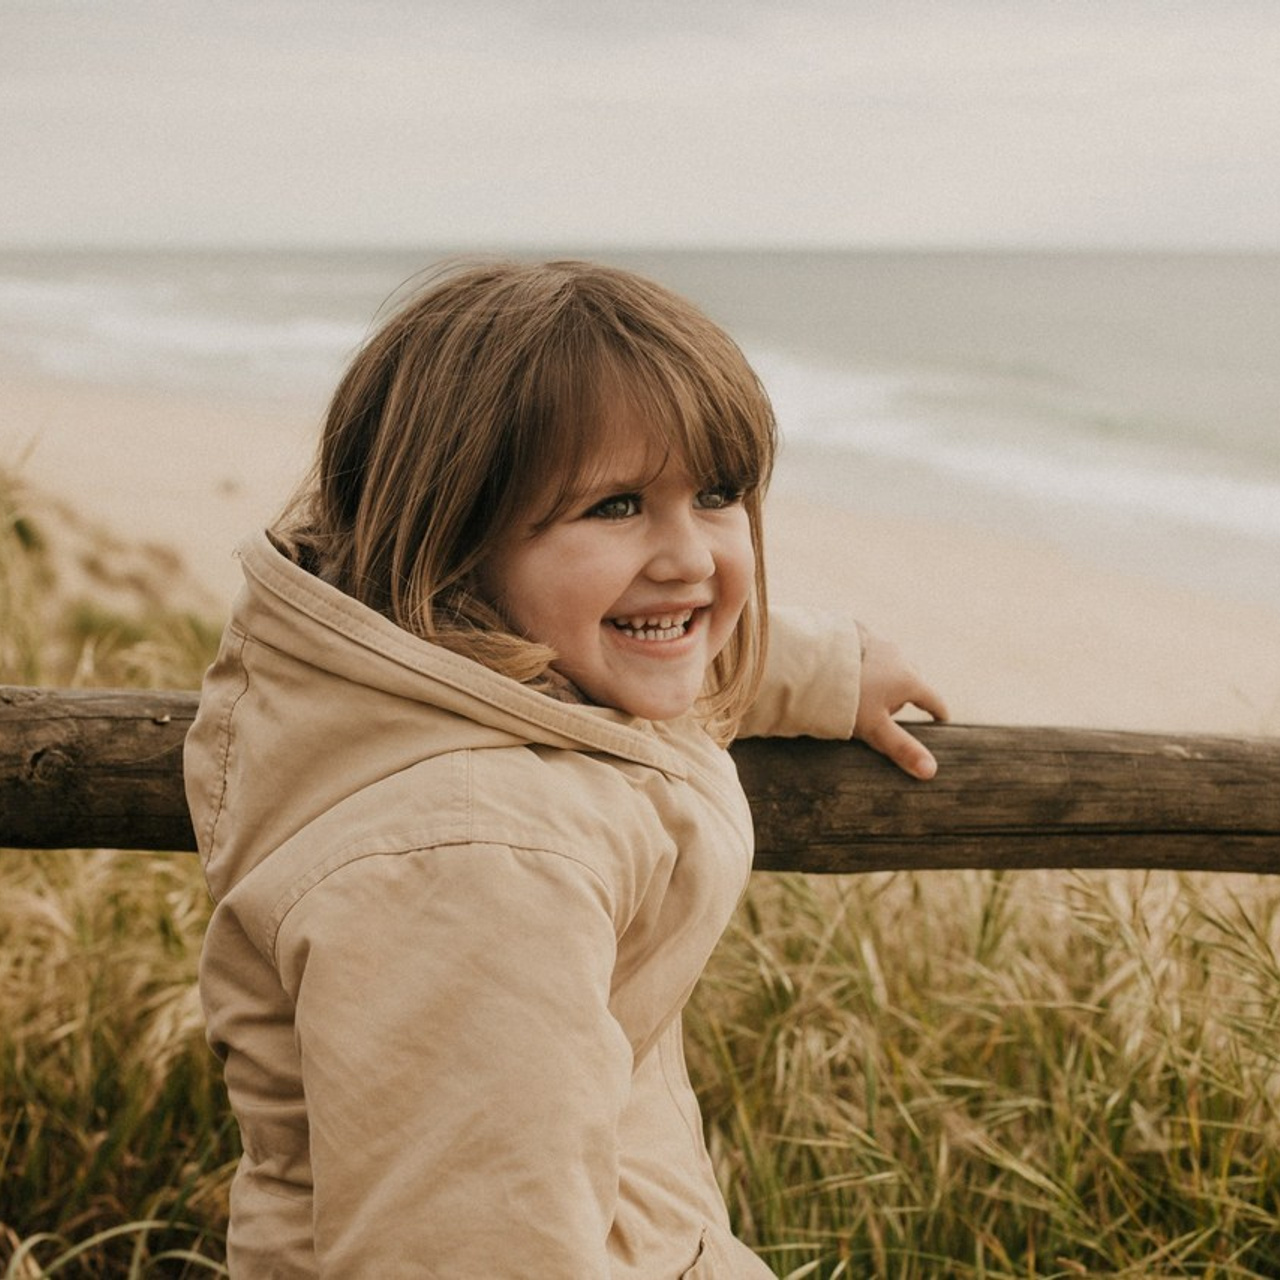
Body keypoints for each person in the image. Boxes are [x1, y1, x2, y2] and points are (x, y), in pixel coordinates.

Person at [185, 259, 947, 1277]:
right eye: (616, 504)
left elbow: (627, 645)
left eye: (716, 495)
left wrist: (814, 666)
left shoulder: (401, 671)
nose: (688, 557)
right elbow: (471, 1246)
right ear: (453, 535)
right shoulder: (476, 865)